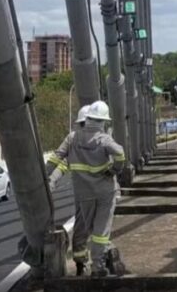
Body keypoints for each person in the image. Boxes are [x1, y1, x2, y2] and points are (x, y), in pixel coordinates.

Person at [48, 100, 126, 277]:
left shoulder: (72, 139)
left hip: (83, 194)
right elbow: (120, 154)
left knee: (88, 229)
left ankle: (84, 263)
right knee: (99, 231)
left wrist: (47, 177)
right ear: (102, 121)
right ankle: (96, 264)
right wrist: (115, 171)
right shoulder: (103, 139)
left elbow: (58, 161)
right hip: (104, 191)